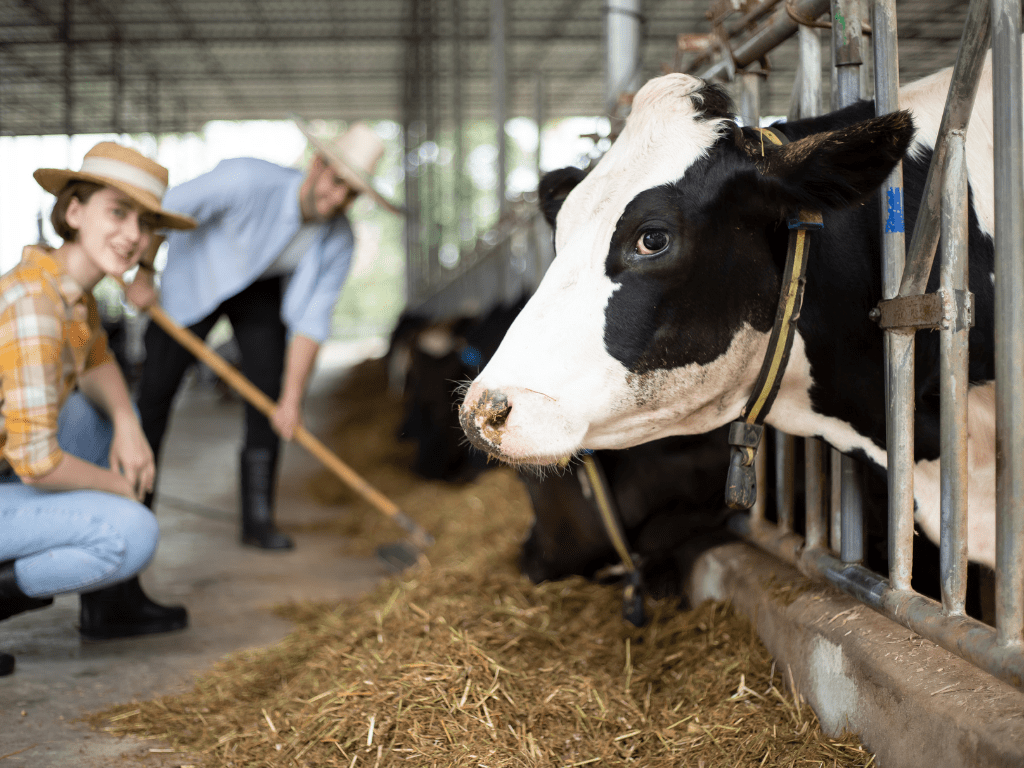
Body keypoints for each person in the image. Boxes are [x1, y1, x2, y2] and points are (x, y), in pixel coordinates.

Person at [132, 119, 401, 550]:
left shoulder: (339, 241)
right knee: (155, 396)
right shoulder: (245, 180)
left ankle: (258, 521)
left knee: (269, 393)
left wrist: (291, 402)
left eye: (350, 193)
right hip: (195, 277)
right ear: (317, 164)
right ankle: (134, 511)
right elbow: (158, 210)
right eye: (335, 182)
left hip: (259, 290)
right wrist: (144, 272)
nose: (336, 199)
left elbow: (312, 323)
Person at [0, 142, 197, 675]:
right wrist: (120, 487)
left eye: (145, 222)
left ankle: (110, 606)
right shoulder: (35, 307)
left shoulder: (69, 289)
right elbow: (37, 464)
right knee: (133, 532)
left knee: (98, 414)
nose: (134, 235)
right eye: (118, 211)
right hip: (13, 474)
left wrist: (130, 426)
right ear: (73, 211)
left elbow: (97, 360)